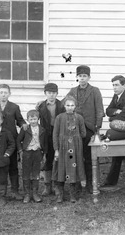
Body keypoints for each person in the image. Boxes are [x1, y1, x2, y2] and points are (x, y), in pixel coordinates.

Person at [61, 65, 104, 194]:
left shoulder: (95, 91)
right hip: (75, 129)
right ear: (77, 77)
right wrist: (45, 102)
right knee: (76, 156)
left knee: (90, 158)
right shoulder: (73, 91)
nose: (82, 78)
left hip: (90, 128)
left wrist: (97, 127)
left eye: (85, 76)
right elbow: (63, 103)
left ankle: (91, 183)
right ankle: (77, 183)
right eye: (80, 76)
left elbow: (100, 110)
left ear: (89, 77)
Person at [0, 84, 27, 200]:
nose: (3, 94)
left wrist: (23, 124)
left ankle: (14, 190)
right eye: (1, 92)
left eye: (5, 92)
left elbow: (19, 120)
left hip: (10, 141)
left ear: (9, 94)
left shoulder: (14, 107)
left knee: (13, 166)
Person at [53, 95, 86, 203]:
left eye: (72, 105)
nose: (70, 107)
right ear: (64, 106)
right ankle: (60, 195)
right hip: (62, 147)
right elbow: (55, 134)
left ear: (75, 106)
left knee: (73, 167)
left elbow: (83, 133)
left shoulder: (79, 117)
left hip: (75, 148)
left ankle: (73, 194)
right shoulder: (59, 117)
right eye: (68, 105)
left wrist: (75, 138)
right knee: (61, 168)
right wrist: (56, 149)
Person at [36, 83, 65, 196]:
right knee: (47, 160)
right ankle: (47, 186)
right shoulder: (41, 106)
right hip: (46, 135)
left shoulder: (61, 105)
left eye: (53, 93)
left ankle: (58, 186)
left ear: (57, 94)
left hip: (58, 135)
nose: (51, 95)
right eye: (49, 93)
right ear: (45, 94)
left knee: (58, 160)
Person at [17, 110, 48, 203]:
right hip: (27, 153)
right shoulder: (25, 129)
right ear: (28, 120)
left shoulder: (42, 130)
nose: (33, 121)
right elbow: (18, 140)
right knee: (26, 174)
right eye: (31, 119)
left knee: (36, 173)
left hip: (37, 153)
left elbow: (45, 143)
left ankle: (35, 193)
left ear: (38, 119)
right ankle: (27, 194)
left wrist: (44, 154)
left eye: (35, 119)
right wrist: (20, 151)